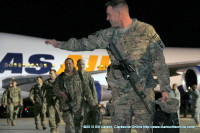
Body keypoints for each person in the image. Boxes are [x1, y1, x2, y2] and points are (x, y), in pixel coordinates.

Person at [46, 0, 171, 132]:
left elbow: (159, 62)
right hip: (120, 93)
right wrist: (60, 44)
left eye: (109, 14)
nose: (107, 18)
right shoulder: (108, 34)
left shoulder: (146, 30)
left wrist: (165, 89)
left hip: (143, 92)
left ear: (119, 13)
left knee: (144, 129)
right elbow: (84, 44)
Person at [52, 58, 82, 133]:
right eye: (66, 64)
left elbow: (87, 89)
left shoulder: (80, 75)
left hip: (79, 106)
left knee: (79, 127)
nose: (68, 65)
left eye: (70, 63)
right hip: (67, 106)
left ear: (73, 64)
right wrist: (60, 93)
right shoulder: (61, 77)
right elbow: (54, 89)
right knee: (69, 127)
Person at [76, 59, 99, 133]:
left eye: (82, 64)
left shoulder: (88, 76)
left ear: (85, 65)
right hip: (77, 102)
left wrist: (95, 101)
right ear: (77, 65)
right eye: (79, 64)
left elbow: (93, 89)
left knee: (86, 120)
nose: (81, 66)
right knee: (77, 120)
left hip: (87, 102)